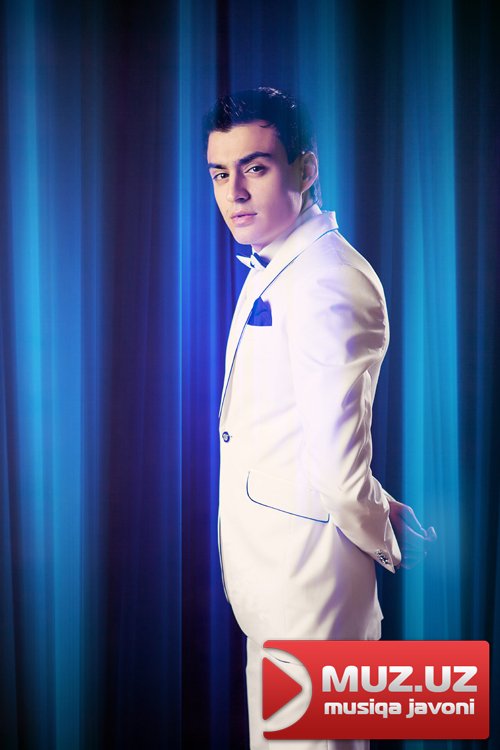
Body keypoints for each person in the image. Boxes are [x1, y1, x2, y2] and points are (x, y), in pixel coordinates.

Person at [203, 87, 436, 750]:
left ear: (306, 168)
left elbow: (338, 465)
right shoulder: (279, 262)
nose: (234, 194)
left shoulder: (329, 278)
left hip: (311, 597)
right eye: (219, 174)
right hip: (278, 584)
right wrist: (377, 505)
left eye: (255, 168)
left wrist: (381, 533)